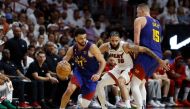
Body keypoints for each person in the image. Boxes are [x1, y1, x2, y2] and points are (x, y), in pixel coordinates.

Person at [96, 31, 169, 109]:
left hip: (129, 68)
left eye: (116, 41)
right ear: (109, 39)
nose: (114, 43)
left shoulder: (125, 46)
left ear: (120, 40)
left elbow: (145, 49)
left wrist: (159, 60)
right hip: (118, 68)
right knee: (100, 84)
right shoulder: (106, 46)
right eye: (112, 40)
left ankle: (128, 105)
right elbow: (94, 53)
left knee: (123, 82)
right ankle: (104, 106)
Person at [131, 3, 169, 109]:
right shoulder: (158, 23)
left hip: (146, 54)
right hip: (157, 56)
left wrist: (135, 56)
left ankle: (140, 107)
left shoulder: (139, 20)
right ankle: (142, 105)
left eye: (138, 12)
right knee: (141, 83)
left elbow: (137, 42)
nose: (137, 15)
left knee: (133, 84)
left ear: (142, 11)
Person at [59, 28, 106, 109]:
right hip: (79, 72)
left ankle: (80, 101)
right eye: (81, 38)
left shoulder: (92, 47)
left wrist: (98, 74)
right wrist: (62, 63)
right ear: (75, 38)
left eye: (85, 37)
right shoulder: (72, 48)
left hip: (91, 76)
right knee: (69, 90)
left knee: (84, 105)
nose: (83, 40)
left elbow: (103, 62)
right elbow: (65, 59)